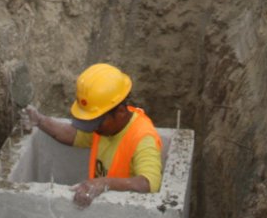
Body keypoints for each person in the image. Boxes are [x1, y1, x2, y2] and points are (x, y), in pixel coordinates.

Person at [23, 63, 163, 208]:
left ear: (120, 112)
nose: (94, 128)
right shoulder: (105, 127)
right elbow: (72, 135)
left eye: (97, 123)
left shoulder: (143, 138)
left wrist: (105, 183)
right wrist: (40, 121)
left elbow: (147, 184)